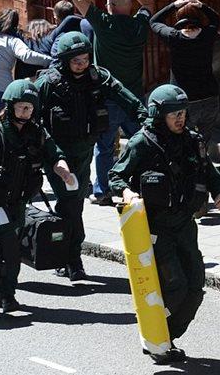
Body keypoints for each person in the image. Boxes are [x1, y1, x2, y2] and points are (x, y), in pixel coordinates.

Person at [108, 84, 220, 364]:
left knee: (195, 286)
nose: (180, 119)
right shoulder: (142, 143)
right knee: (175, 286)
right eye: (174, 114)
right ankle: (156, 340)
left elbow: (208, 172)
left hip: (185, 225)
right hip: (157, 229)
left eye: (183, 113)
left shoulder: (192, 140)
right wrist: (127, 193)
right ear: (158, 115)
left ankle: (163, 337)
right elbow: (116, 175)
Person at [35, 31, 147, 281]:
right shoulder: (48, 83)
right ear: (65, 61)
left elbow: (125, 96)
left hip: (84, 152)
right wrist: (49, 153)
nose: (82, 65)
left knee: (73, 203)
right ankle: (72, 259)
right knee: (71, 203)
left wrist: (147, 119)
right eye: (76, 61)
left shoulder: (97, 77)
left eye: (85, 59)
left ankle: (65, 256)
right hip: (57, 155)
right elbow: (30, 115)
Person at [0, 80, 73, 312]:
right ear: (10, 105)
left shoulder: (37, 133)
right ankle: (7, 295)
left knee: (3, 247)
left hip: (17, 202)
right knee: (10, 245)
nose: (26, 112)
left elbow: (55, 155)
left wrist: (63, 171)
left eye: (30, 108)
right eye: (21, 107)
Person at [71, 0, 154, 207]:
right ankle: (142, 185)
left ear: (111, 7)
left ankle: (103, 191)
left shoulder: (103, 22)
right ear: (129, 7)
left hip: (107, 97)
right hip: (134, 97)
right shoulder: (139, 25)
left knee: (105, 147)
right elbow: (149, 2)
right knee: (142, 143)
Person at [149, 0, 220, 144]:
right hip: (209, 96)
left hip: (183, 100)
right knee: (203, 143)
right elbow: (215, 19)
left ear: (179, 18)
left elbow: (154, 21)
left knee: (183, 142)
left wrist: (174, 5)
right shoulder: (208, 34)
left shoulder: (173, 36)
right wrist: (201, 5)